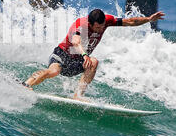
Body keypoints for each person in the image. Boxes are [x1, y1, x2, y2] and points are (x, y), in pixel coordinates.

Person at [22, 8, 165, 100]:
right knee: (54, 71)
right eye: (97, 27)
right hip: (62, 54)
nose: (100, 29)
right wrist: (85, 55)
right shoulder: (80, 24)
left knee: (94, 62)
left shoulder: (106, 21)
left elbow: (129, 21)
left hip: (77, 61)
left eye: (102, 26)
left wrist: (148, 19)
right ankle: (26, 85)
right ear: (90, 23)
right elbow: (76, 41)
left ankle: (78, 96)